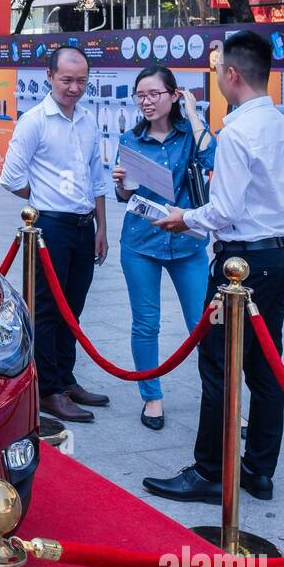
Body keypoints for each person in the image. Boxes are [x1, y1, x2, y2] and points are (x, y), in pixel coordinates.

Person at [142, 30, 284, 503]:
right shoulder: (280, 125)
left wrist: (182, 218)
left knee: (217, 365)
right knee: (266, 367)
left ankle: (210, 470)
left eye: (216, 71)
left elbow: (223, 211)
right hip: (278, 255)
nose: (215, 79)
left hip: (241, 264)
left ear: (232, 75)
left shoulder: (236, 132)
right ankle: (259, 471)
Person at [0, 44, 110, 424]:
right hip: (50, 229)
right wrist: (43, 198)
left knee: (73, 309)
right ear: (49, 76)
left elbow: (98, 176)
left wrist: (102, 227)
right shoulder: (35, 121)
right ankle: (48, 389)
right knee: (47, 310)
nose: (75, 88)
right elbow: (10, 177)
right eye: (67, 80)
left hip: (83, 227)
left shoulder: (88, 119)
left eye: (81, 81)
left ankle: (65, 376)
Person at [111, 67, 215, 431]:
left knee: (203, 325)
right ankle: (151, 397)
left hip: (187, 241)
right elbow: (123, 195)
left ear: (174, 95)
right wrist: (123, 186)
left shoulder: (190, 136)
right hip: (140, 241)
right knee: (146, 323)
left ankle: (221, 398)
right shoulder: (130, 138)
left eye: (154, 93)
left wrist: (194, 116)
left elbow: (213, 161)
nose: (147, 101)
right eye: (141, 95)